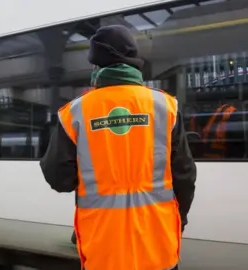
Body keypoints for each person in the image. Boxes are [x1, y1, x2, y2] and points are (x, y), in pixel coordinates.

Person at [40, 25, 196, 270]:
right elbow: (185, 175)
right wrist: (179, 220)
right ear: (133, 64)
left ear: (96, 66)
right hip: (159, 247)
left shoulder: (75, 113)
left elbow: (59, 179)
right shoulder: (165, 107)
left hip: (103, 250)